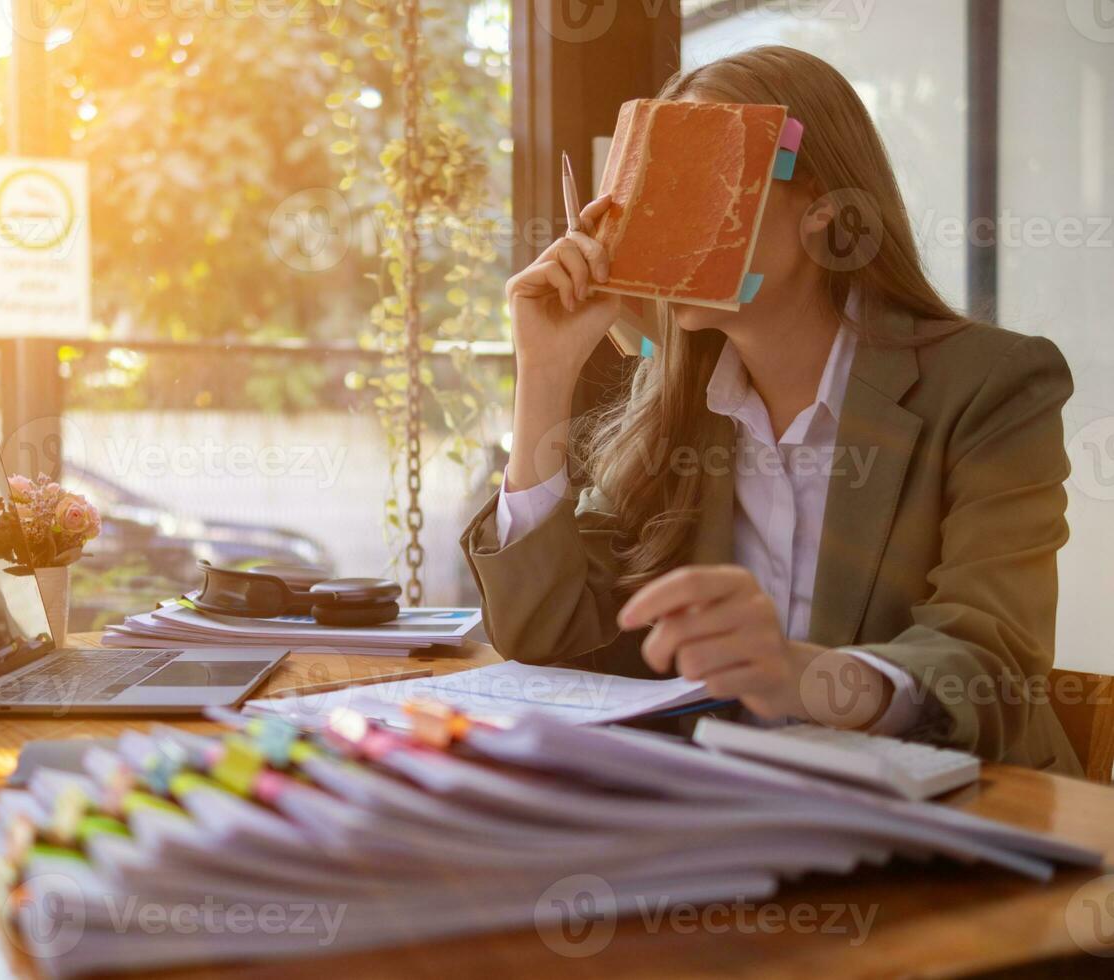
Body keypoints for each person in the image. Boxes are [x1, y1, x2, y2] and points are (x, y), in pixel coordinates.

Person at [462, 45, 1079, 773]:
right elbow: (543, 630)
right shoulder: (673, 415)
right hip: (734, 828)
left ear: (822, 204)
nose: (659, 225)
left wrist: (804, 673)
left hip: (969, 837)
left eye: (699, 181)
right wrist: (544, 372)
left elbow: (992, 661)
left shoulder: (993, 385)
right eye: (648, 190)